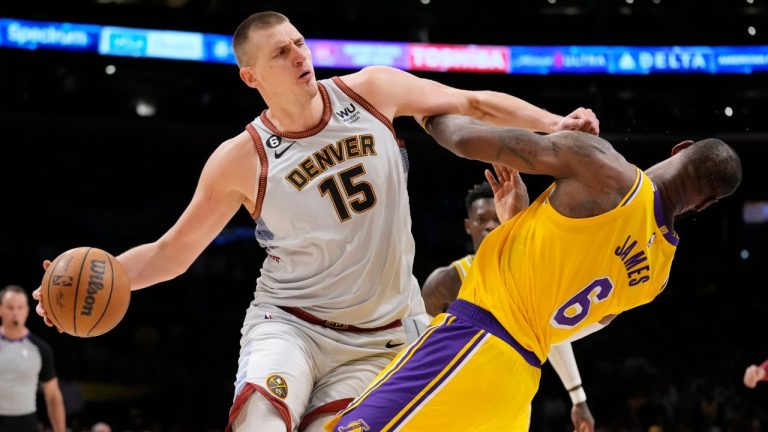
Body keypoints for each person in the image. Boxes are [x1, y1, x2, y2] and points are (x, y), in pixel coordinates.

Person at [32, 11, 600, 432]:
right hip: (293, 325)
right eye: (280, 52)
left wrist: (556, 123)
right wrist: (91, 279)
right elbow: (169, 253)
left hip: (382, 338)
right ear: (251, 77)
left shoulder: (372, 90)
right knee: (260, 423)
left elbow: (472, 102)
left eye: (299, 42)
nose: (299, 55)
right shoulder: (242, 156)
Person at [327, 115, 742, 431]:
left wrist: (421, 108)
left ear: (679, 148)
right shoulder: (658, 274)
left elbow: (467, 139)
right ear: (704, 205)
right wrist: (519, 224)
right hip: (518, 385)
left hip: (473, 341)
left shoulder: (605, 169)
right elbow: (560, 315)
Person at [421, 180, 595, 431]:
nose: (490, 225)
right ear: (468, 226)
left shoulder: (527, 274)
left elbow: (551, 335)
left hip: (512, 401)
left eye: (496, 218)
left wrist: (578, 398)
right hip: (460, 401)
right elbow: (421, 351)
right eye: (481, 220)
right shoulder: (444, 282)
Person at [0, 285, 66, 432]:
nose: (15, 313)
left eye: (20, 307)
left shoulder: (40, 349)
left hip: (25, 423)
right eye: (10, 307)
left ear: (27, 310)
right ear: (1, 309)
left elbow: (53, 395)